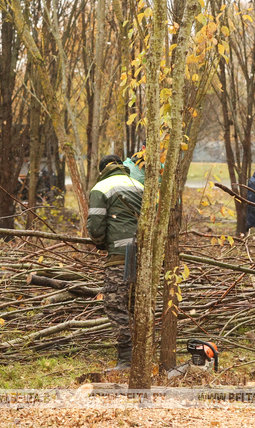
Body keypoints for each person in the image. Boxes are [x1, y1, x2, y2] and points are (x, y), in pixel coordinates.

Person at [87, 154, 144, 371]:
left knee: (114, 303)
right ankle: (141, 355)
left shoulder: (102, 187)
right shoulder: (138, 184)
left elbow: (96, 227)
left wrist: (101, 244)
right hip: (143, 255)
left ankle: (126, 360)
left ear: (103, 169)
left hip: (121, 255)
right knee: (135, 304)